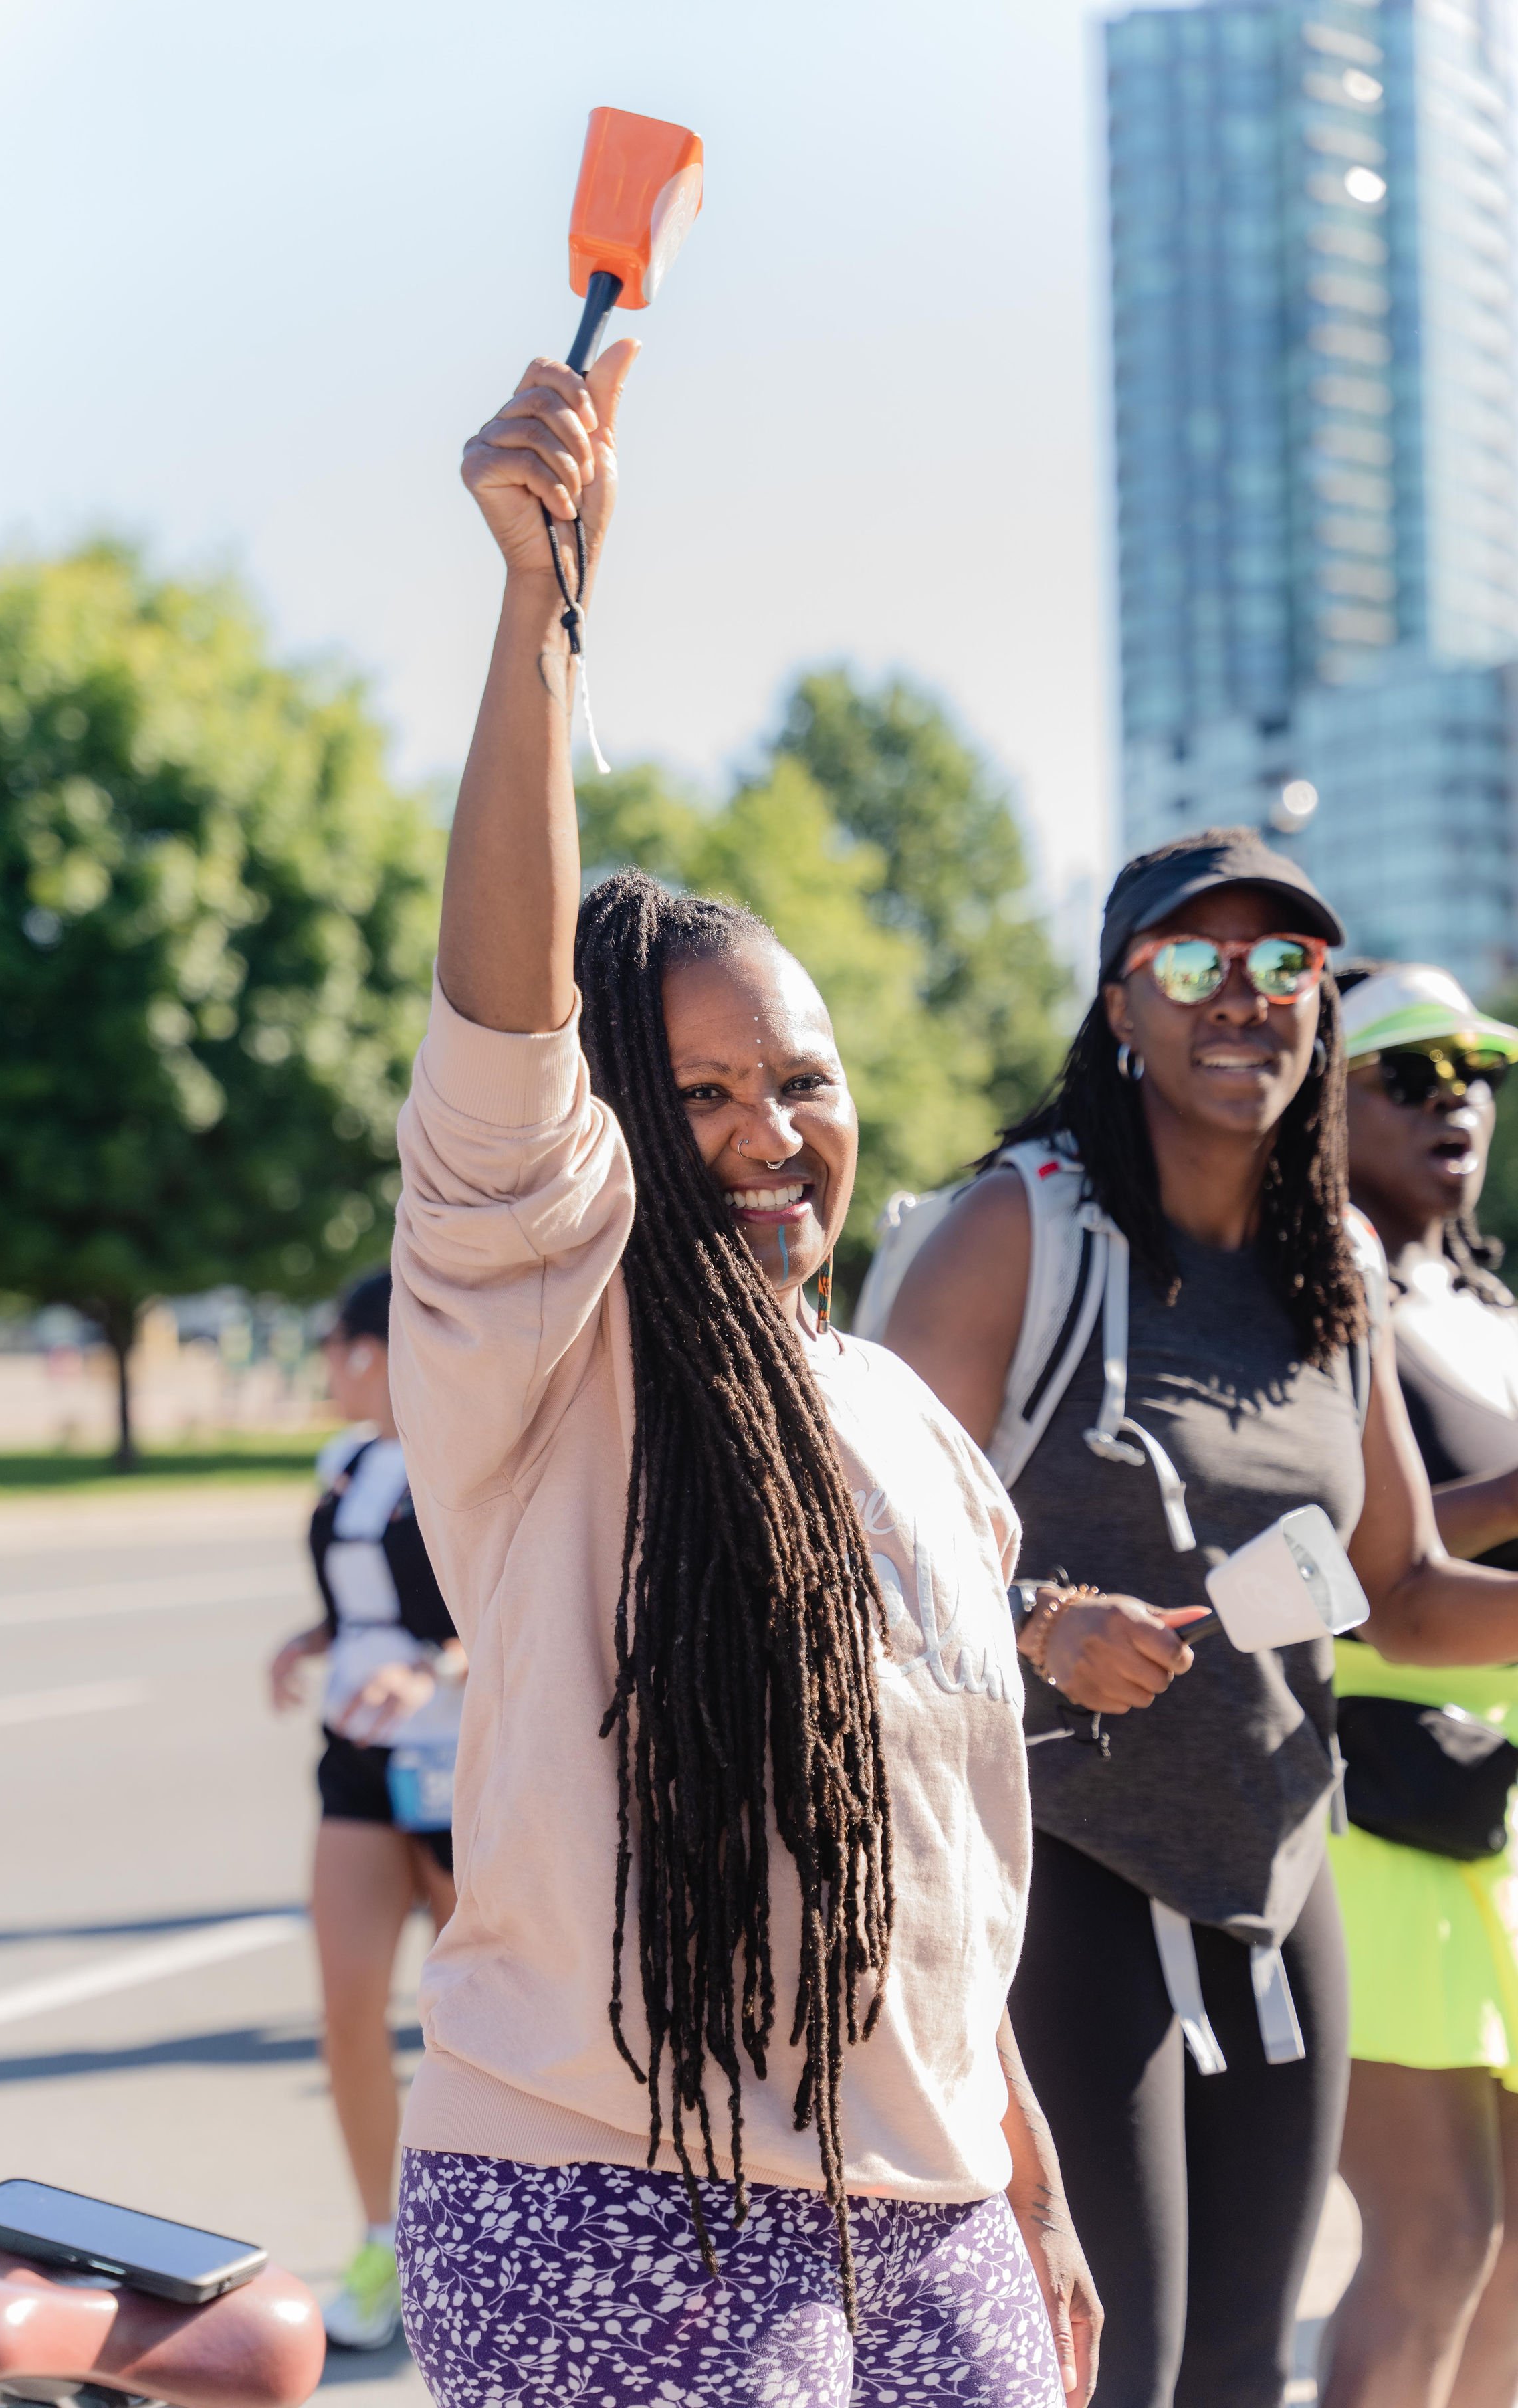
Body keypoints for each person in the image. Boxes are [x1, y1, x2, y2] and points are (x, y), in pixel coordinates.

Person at [381, 341, 1104, 2408]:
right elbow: (505, 1054)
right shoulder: (544, 1343)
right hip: (614, 2205)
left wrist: (1025, 2181)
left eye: (803, 1076)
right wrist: (542, 615)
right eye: (697, 1092)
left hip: (937, 2219)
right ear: (615, 1114)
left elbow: (937, 1872)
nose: (774, 1130)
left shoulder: (907, 1430)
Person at [881, 834, 1518, 2408]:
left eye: (1285, 966)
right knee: (1115, 2359)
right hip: (1062, 1871)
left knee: (1240, 2368)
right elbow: (856, 1538)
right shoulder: (1017, 1234)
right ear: (1121, 1008)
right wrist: (1040, 1618)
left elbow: (1406, 1591)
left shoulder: (1335, 1274)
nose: (1243, 998)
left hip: (1282, 1866)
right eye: (1193, 964)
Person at [1319, 963, 1518, 2408]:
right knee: (1441, 2229)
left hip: (1499, 1823)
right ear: (1316, 1107)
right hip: (1372, 1814)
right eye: (1408, 1071)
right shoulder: (1307, 1285)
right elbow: (1362, 1558)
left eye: (1476, 1068)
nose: (1457, 1096)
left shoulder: (1482, 1290)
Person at [267, 1268, 465, 2352]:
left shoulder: (467, 1450)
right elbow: (362, 1596)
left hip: (462, 1762)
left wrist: (436, 1670)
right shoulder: (344, 1462)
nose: (330, 1372)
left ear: (376, 1349)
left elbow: (517, 1607)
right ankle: (383, 2240)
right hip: (356, 1760)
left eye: (337, 1349)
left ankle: (472, 2243)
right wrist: (313, 1641)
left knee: (472, 2020)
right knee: (348, 2007)